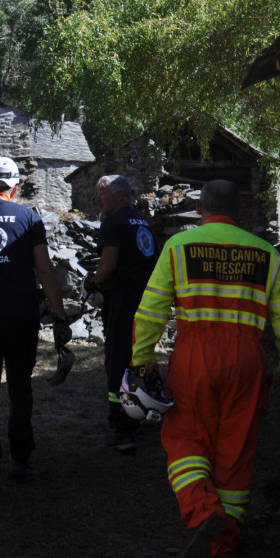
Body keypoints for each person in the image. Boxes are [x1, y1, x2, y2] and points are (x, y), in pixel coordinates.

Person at [130, 180, 280, 558]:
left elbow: (151, 311)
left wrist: (141, 360)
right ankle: (223, 547)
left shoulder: (179, 247)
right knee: (235, 451)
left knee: (185, 439)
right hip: (248, 359)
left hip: (196, 357)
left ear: (199, 208)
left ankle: (203, 511)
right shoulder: (266, 253)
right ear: (238, 211)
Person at [0, 156, 72, 493]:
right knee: (21, 386)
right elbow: (45, 271)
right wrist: (59, 316)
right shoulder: (29, 218)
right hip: (21, 316)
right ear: (16, 186)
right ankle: (20, 459)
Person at [85, 175, 157, 452]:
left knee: (118, 361)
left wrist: (93, 282)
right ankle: (141, 413)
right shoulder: (143, 222)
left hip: (123, 301)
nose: (97, 198)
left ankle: (122, 428)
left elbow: (108, 265)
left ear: (119, 195)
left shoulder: (113, 223)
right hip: (147, 302)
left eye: (101, 193)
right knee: (138, 358)